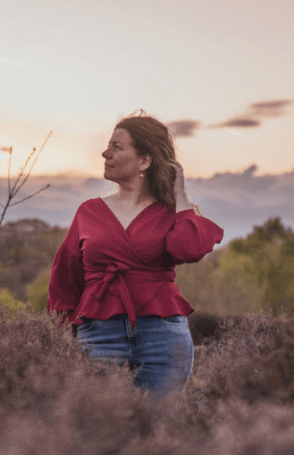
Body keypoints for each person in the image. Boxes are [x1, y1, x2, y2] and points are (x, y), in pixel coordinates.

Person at [47, 111, 224, 398]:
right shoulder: (88, 212)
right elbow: (64, 279)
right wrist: (62, 334)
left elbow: (189, 249)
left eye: (117, 147)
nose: (105, 153)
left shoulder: (171, 214)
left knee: (155, 433)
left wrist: (179, 195)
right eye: (108, 146)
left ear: (144, 160)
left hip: (163, 338)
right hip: (98, 337)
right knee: (103, 431)